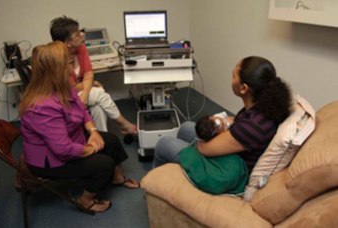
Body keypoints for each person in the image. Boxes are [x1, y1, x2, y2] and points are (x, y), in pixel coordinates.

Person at [19, 41, 139, 213]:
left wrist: (94, 132)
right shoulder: (42, 107)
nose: (72, 66)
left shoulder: (62, 86)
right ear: (57, 69)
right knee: (104, 164)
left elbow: (81, 109)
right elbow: (63, 150)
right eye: (69, 63)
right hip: (49, 160)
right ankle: (85, 200)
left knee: (111, 140)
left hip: (70, 139)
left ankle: (117, 178)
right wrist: (90, 149)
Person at [153, 56, 292, 175]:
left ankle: (156, 185)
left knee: (164, 144)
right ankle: (181, 170)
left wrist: (200, 141)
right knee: (186, 127)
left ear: (244, 88)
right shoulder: (263, 106)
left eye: (234, 76)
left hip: (229, 170)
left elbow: (205, 149)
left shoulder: (253, 127)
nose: (231, 79)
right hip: (236, 153)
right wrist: (224, 123)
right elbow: (238, 124)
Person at [49, 16, 136, 134]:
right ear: (67, 43)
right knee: (100, 94)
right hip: (65, 98)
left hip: (79, 93)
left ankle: (102, 137)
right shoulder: (57, 59)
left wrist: (84, 94)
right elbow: (72, 88)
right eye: (78, 35)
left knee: (98, 108)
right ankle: (125, 125)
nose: (82, 35)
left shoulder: (80, 47)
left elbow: (89, 74)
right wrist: (89, 85)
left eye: (81, 31)